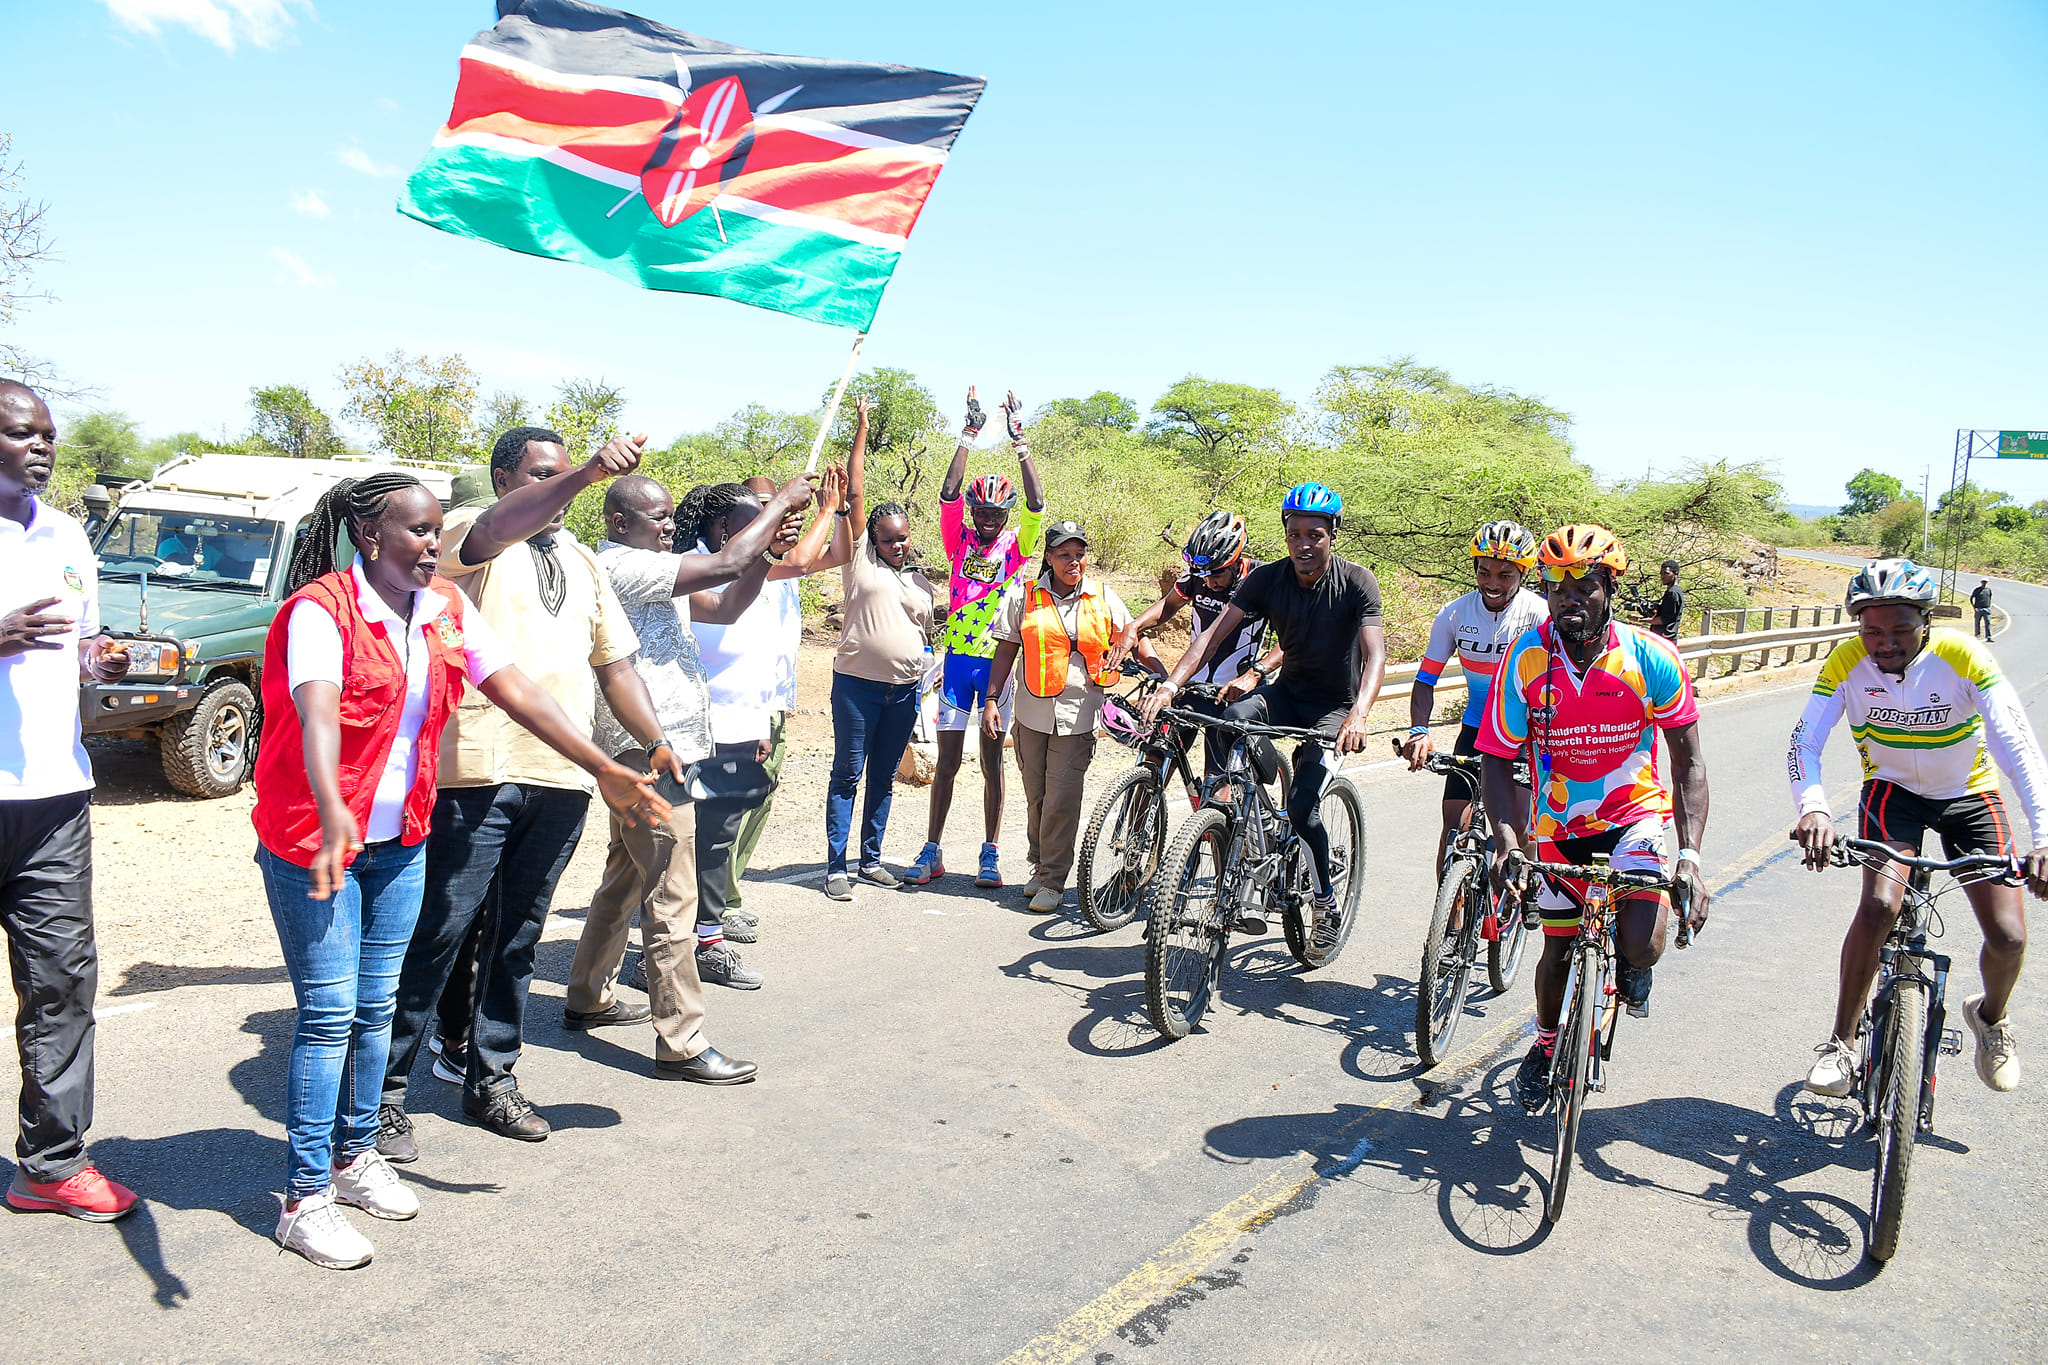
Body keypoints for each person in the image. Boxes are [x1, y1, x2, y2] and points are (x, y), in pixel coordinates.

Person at [254, 472, 666, 1267]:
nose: (431, 544)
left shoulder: (444, 606)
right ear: (371, 535)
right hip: (317, 841)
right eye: (416, 531)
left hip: (400, 838)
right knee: (329, 1015)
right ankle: (305, 1195)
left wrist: (600, 763)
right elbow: (314, 709)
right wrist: (333, 803)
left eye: (437, 530)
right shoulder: (320, 610)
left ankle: (354, 1153)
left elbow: (514, 689)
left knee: (376, 1007)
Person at [377, 426, 677, 1153]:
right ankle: (382, 1093)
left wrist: (657, 739)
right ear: (506, 479)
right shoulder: (470, 538)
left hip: (563, 775)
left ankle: (493, 1079)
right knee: (440, 933)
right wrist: (585, 475)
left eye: (565, 475)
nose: (559, 487)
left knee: (516, 937)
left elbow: (617, 666)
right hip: (477, 766)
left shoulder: (580, 559)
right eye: (542, 476)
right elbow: (491, 528)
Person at [569, 468, 819, 1083]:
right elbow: (722, 567)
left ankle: (586, 996)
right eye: (659, 518)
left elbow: (728, 602)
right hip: (649, 753)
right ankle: (681, 1039)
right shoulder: (620, 565)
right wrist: (779, 506)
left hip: (654, 753)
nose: (672, 525)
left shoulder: (656, 568)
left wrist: (770, 554)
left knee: (625, 878)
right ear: (620, 523)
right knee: (673, 898)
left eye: (672, 515)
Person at [1788, 558, 2048, 1096]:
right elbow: (1804, 741)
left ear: (1925, 622)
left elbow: (2016, 746)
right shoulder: (1846, 661)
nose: (1884, 642)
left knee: (2009, 935)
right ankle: (1841, 1043)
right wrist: (1813, 807)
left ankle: (1992, 1019)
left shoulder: (1961, 654)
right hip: (1892, 793)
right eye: (1872, 630)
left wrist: (2044, 838)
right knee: (1880, 905)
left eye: (1900, 628)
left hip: (1970, 796)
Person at [1475, 524, 1710, 1112]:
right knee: (1556, 950)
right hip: (1557, 828)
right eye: (1557, 584)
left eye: (1584, 585)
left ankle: (1634, 968)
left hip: (1636, 816)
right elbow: (1498, 761)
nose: (1568, 598)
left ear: (1611, 587)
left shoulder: (1651, 656)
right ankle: (1547, 1043)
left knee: (1641, 945)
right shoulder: (1525, 658)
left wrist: (1690, 859)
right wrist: (1508, 841)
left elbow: (1689, 764)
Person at [0, 380, 139, 1224]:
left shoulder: (67, 535)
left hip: (53, 800)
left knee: (60, 982)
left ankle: (52, 1163)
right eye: (23, 433)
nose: (43, 447)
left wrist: (101, 657)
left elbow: (76, 645)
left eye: (49, 434)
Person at [1141, 482, 1387, 942]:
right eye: (1295, 535)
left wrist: (1360, 714)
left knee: (1303, 808)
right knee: (1228, 719)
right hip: (1287, 693)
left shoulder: (1358, 582)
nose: (1304, 545)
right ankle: (1245, 825)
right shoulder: (1267, 579)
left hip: (1333, 709)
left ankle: (1326, 902)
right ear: (1285, 534)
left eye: (1315, 534)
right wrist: (1173, 685)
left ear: (1333, 534)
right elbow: (1210, 638)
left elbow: (1376, 656)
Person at [677, 478, 839, 988]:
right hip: (695, 733)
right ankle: (671, 947)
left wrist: (759, 724)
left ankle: (703, 939)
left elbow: (750, 656)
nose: (768, 530)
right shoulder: (694, 570)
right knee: (680, 847)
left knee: (714, 845)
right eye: (758, 520)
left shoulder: (745, 571)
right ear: (723, 527)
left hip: (739, 730)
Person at [903, 389, 1046, 890]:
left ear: (1005, 516)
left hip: (998, 667)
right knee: (945, 764)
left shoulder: (1018, 545)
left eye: (995, 513)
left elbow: (1037, 502)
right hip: (957, 664)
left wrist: (1019, 439)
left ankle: (990, 853)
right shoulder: (956, 538)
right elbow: (946, 491)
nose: (987, 519)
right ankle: (932, 849)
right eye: (980, 511)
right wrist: (969, 431)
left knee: (991, 762)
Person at [716, 466, 854, 932]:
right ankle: (717, 905)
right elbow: (796, 562)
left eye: (774, 505)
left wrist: (834, 513)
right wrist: (828, 508)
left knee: (761, 797)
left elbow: (840, 553)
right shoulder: (749, 560)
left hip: (773, 700)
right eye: (759, 507)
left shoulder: (782, 555)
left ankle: (723, 895)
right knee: (730, 806)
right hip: (741, 704)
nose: (771, 514)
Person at [986, 521, 1133, 912]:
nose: (1074, 561)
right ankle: (1039, 865)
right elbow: (1005, 650)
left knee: (1061, 800)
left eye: (1079, 554)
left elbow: (1132, 633)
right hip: (1032, 713)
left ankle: (1054, 879)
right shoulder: (1025, 595)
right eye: (1064, 554)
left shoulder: (1102, 596)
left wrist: (1161, 675)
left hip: (1079, 713)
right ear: (1049, 558)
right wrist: (990, 699)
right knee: (1037, 796)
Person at [824, 399, 938, 900]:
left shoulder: (919, 581)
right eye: (890, 538)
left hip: (904, 692)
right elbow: (855, 489)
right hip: (856, 688)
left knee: (884, 778)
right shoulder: (860, 562)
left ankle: (871, 861)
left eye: (905, 538)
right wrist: (863, 427)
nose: (899, 545)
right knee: (847, 774)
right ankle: (836, 867)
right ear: (874, 536)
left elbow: (928, 636)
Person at [1402, 520, 1545, 871]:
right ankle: (1450, 922)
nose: (1492, 584)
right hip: (1478, 727)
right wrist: (1419, 730)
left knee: (1520, 829)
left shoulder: (1539, 614)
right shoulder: (1455, 613)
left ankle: (1523, 893)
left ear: (1522, 574)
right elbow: (1425, 679)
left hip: (1526, 732)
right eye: (1485, 572)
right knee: (1453, 826)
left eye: (1505, 575)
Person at [1106, 509, 1276, 773]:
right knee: (1155, 759)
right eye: (1202, 575)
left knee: (1219, 780)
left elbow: (1290, 639)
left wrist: (1257, 672)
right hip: (1193, 686)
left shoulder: (1261, 580)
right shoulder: (1198, 575)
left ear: (1235, 560)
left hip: (1235, 692)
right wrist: (1135, 626)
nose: (1208, 582)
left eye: (1216, 575)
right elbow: (1168, 606)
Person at [1633, 559, 1685, 642]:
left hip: (1664, 639)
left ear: (1676, 574)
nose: (1662, 576)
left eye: (1666, 573)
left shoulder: (1673, 593)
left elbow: (1664, 619)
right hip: (1664, 638)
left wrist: (1639, 620)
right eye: (1661, 574)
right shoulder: (1674, 591)